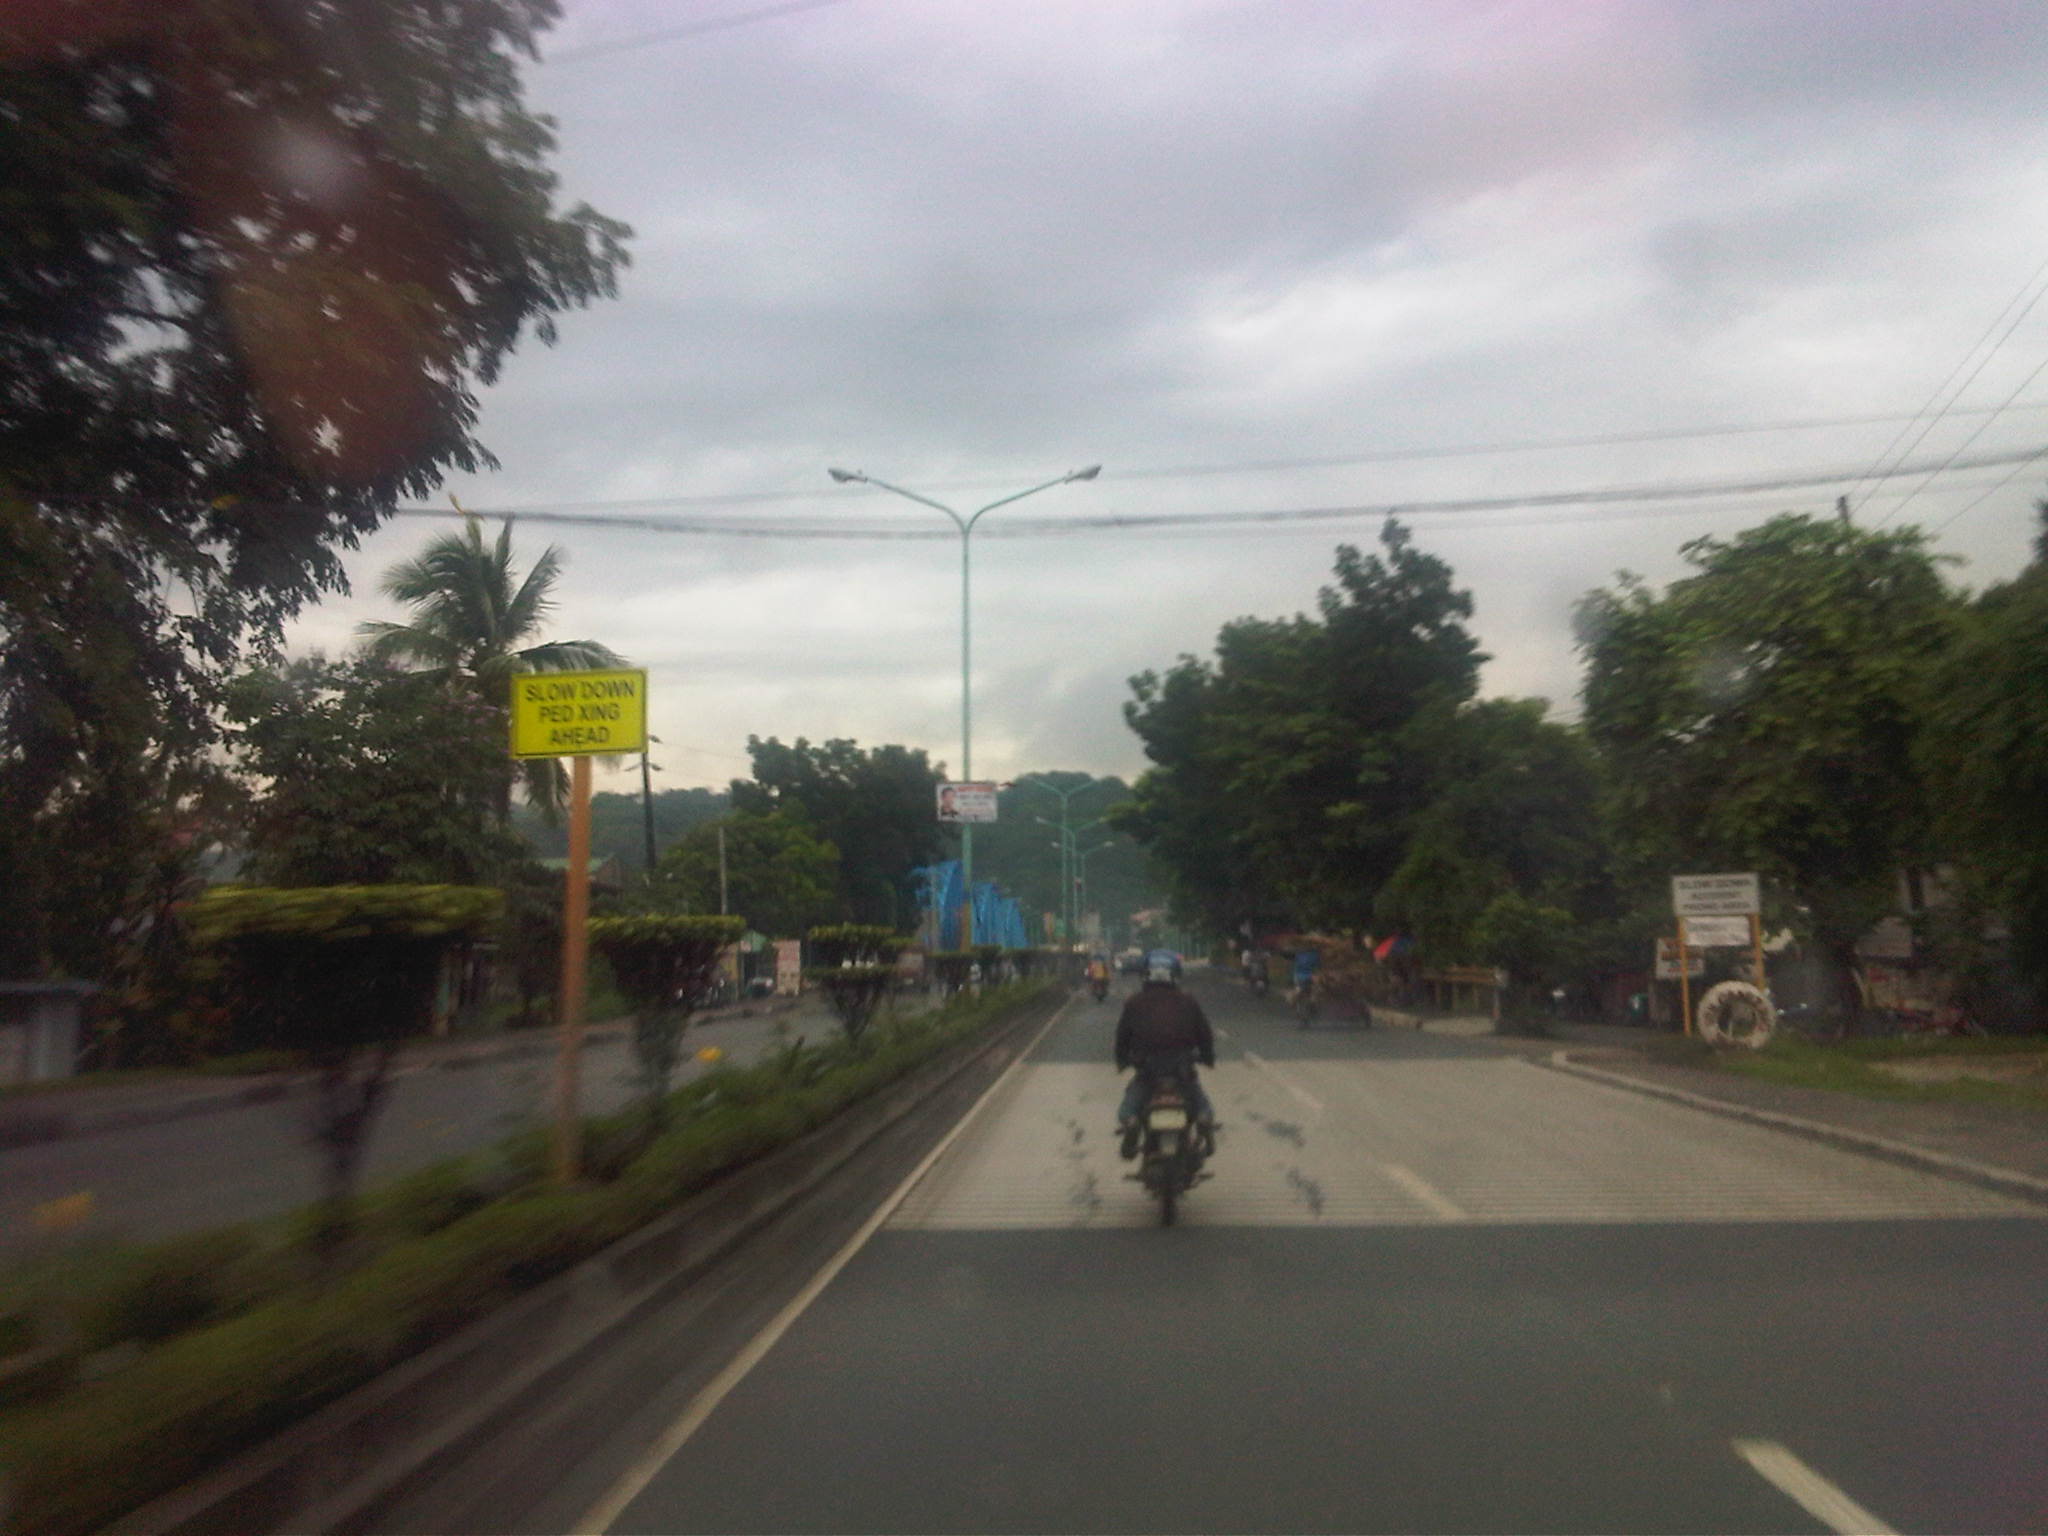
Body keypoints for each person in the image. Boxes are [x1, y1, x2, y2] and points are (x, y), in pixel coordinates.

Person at [1115, 957, 1215, 1158]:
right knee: (1202, 1106)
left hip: (1148, 1070)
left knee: (1128, 1109)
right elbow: (1205, 1035)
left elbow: (1122, 1037)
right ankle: (1204, 1121)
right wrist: (1207, 1058)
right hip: (1182, 1069)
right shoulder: (1188, 1001)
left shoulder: (1134, 1002)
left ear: (1146, 977)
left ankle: (1132, 1124)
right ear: (1174, 977)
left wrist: (1122, 1061)